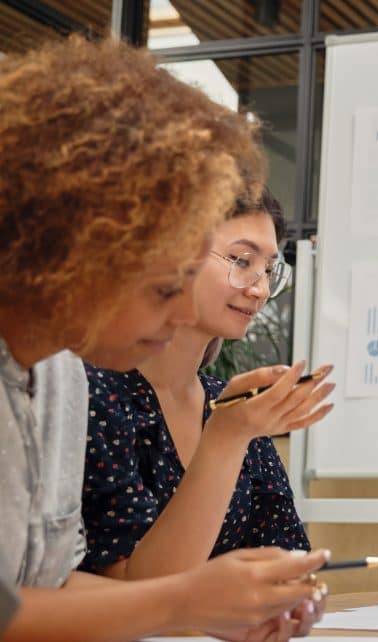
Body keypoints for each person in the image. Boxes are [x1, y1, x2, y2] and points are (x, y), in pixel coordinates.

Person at [0, 36, 327, 641]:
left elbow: (39, 589)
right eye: (164, 286)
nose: (182, 314)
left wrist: (210, 607)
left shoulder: (59, 380)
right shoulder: (92, 386)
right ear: (71, 255)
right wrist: (180, 603)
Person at [80, 188, 335, 633]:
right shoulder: (95, 392)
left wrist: (294, 598)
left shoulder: (233, 402)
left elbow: (287, 556)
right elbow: (139, 596)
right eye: (241, 261)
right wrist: (227, 436)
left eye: (269, 270)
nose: (259, 289)